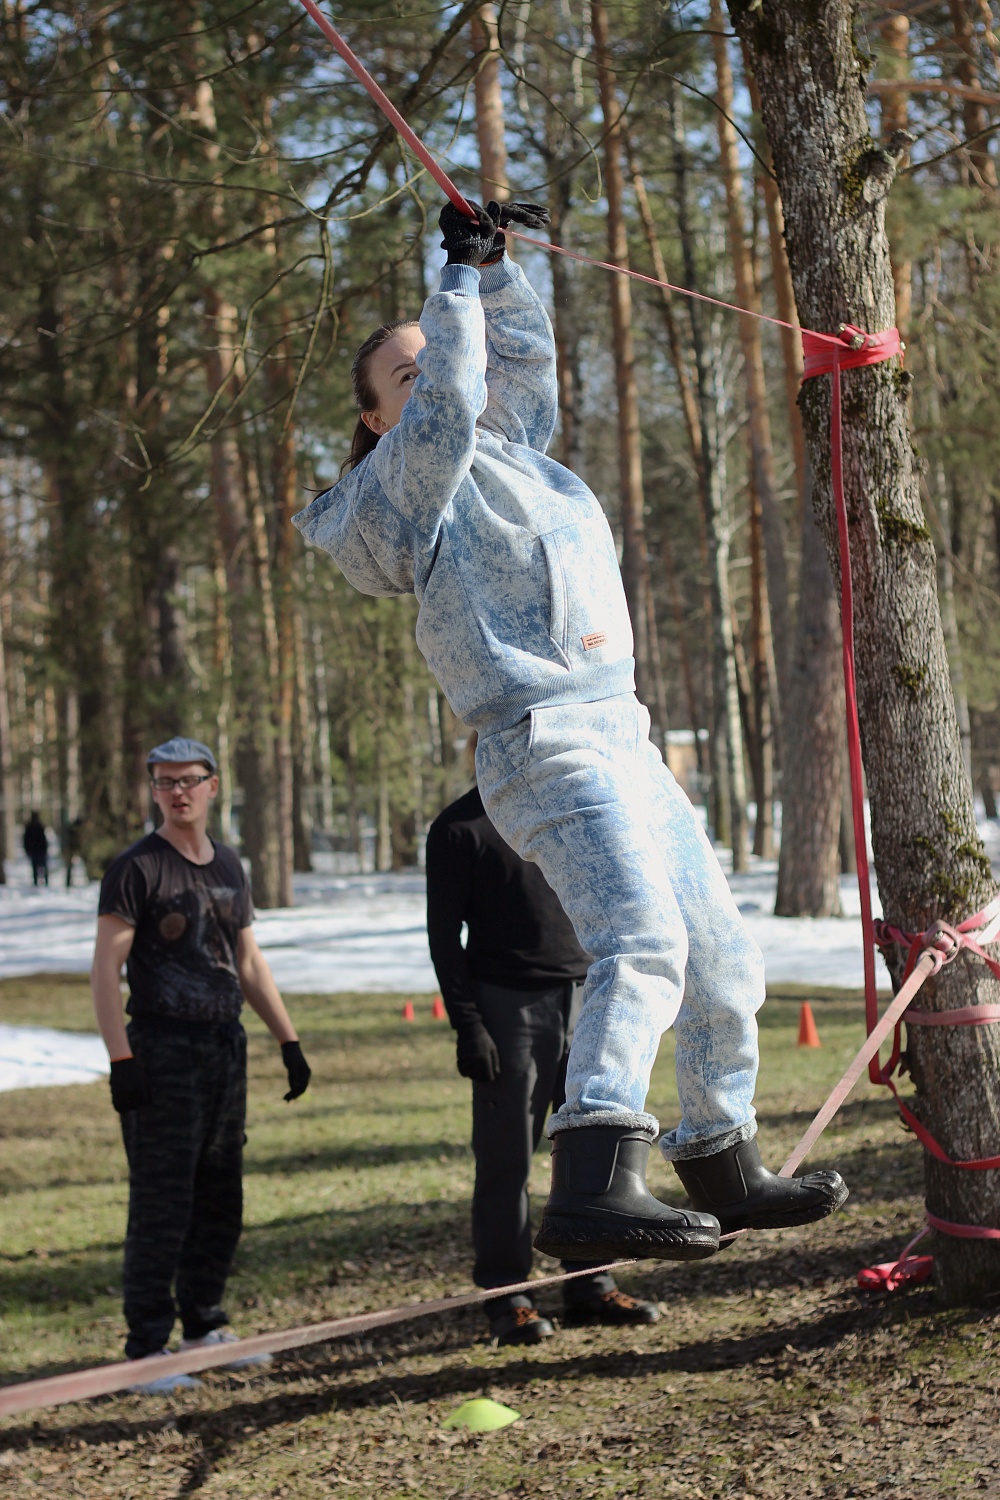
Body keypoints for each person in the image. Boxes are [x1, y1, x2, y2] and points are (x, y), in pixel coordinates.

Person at [294, 200, 847, 1264]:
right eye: (400, 378)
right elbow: (449, 398)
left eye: (431, 362)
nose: (434, 378)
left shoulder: (514, 449)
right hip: (538, 737)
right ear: (375, 418)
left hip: (623, 734)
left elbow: (516, 363)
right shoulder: (405, 486)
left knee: (724, 963)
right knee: (640, 943)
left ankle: (721, 1160)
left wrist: (494, 274)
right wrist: (448, 283)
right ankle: (593, 1176)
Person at [91, 736, 312, 1394]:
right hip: (161, 1049)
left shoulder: (230, 866)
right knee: (163, 1200)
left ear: (214, 786)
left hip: (224, 1046)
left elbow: (247, 962)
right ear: (153, 791)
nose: (177, 791)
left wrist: (288, 1041)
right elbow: (106, 968)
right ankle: (147, 1349)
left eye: (189, 779)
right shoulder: (137, 868)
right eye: (164, 782)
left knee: (221, 1194)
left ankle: (203, 1326)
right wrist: (121, 1058)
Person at [427, 750, 659, 1345]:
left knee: (591, 1154)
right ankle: (509, 1298)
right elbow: (443, 941)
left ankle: (591, 1285)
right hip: (508, 1011)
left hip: (587, 998)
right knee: (506, 1163)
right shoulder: (458, 829)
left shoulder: (566, 817)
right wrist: (469, 1025)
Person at [23, 811, 48, 886]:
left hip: (39, 851)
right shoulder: (31, 827)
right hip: (36, 851)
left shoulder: (38, 826)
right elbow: (26, 840)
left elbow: (43, 839)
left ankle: (44, 882)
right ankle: (37, 883)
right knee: (37, 867)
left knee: (41, 867)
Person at [62, 815, 85, 888]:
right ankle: (68, 881)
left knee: (70, 866)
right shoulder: (74, 829)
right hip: (71, 848)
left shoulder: (74, 829)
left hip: (72, 848)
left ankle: (69, 881)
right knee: (69, 866)